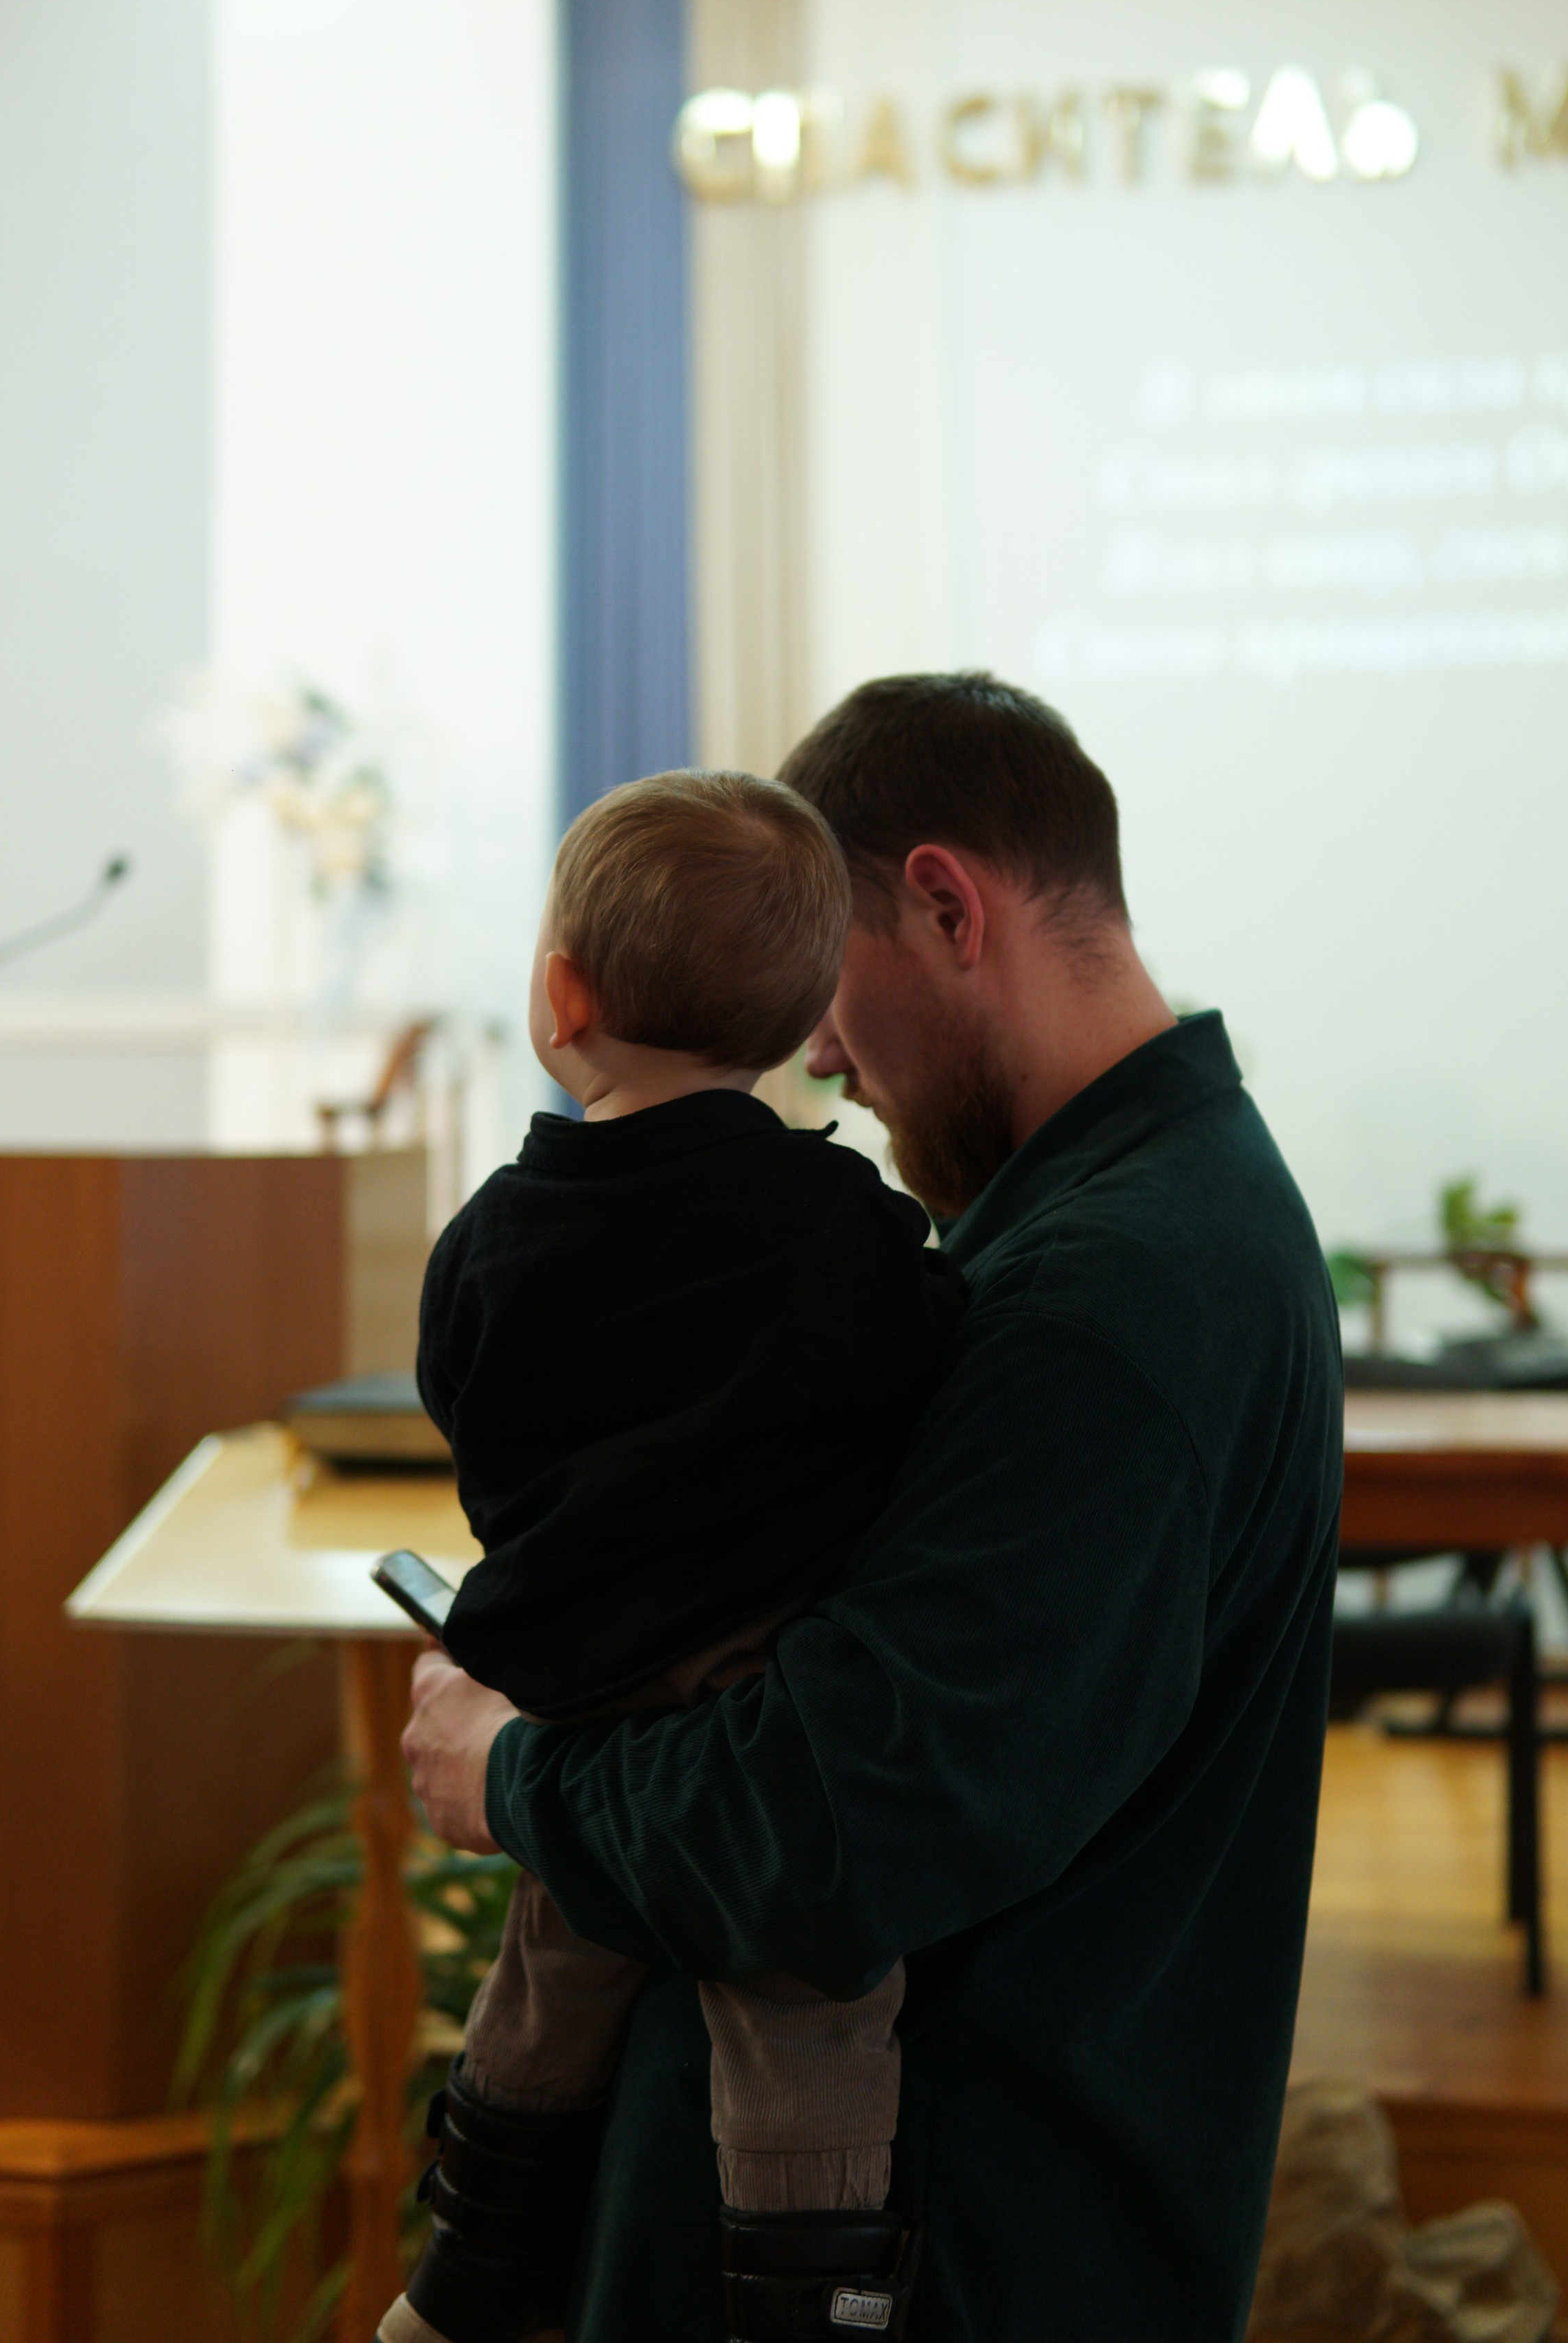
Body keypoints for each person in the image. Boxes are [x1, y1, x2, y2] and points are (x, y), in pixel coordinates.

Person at [402, 671, 1344, 2343]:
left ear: (940, 904)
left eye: (821, 992)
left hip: (955, 2247)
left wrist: (514, 1770)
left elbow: (834, 1827)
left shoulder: (1109, 1293)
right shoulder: (1112, 1211)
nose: (816, 1056)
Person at [380, 769, 966, 2343]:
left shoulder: (489, 1237)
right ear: (796, 1025)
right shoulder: (843, 1222)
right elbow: (910, 1378)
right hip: (750, 1686)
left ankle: (461, 2283)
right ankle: (805, 2302)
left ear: (557, 995)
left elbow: (465, 1408)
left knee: (551, 1971)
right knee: (803, 2011)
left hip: (571, 1691)